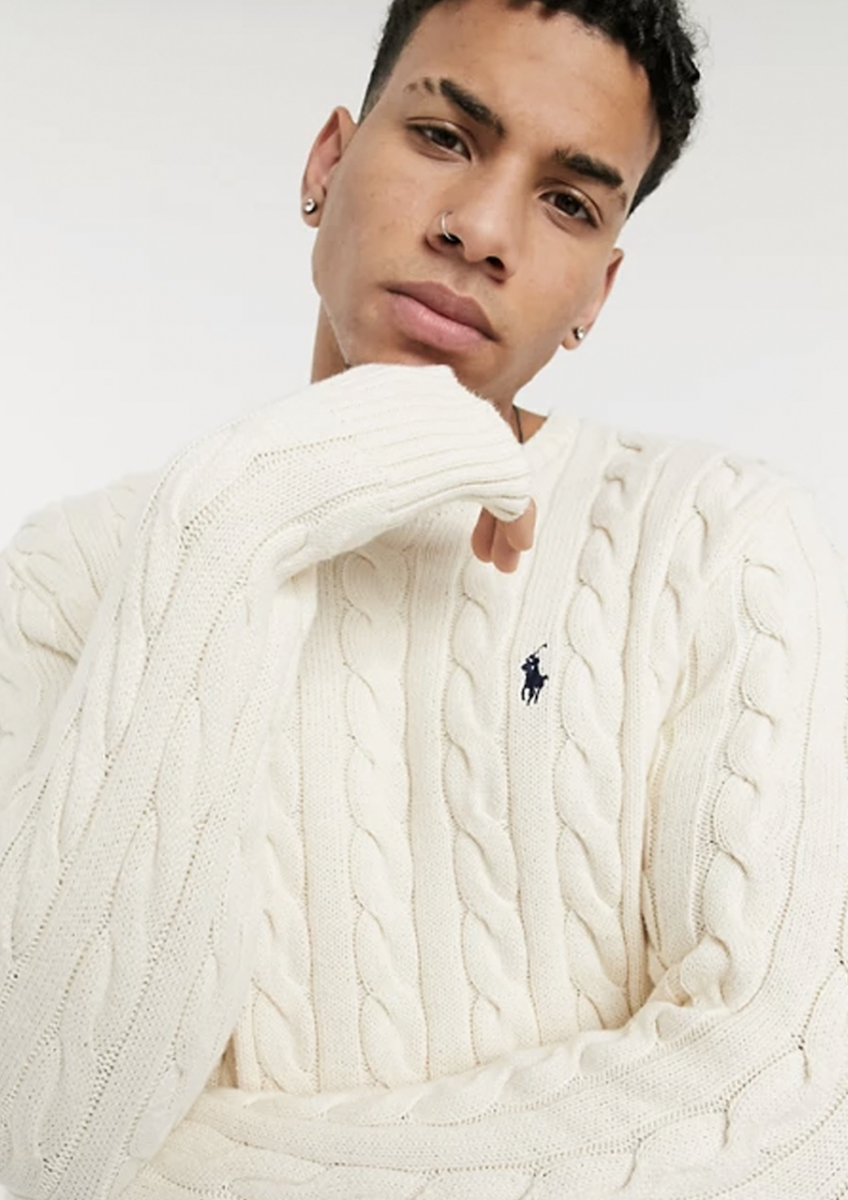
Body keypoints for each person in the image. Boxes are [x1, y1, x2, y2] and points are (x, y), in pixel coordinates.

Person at [1, 0, 847, 1197]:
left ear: (596, 292)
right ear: (326, 164)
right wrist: (242, 513)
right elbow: (31, 1128)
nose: (481, 231)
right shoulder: (76, 575)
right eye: (446, 138)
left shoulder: (718, 546)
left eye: (568, 202)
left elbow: (784, 1107)